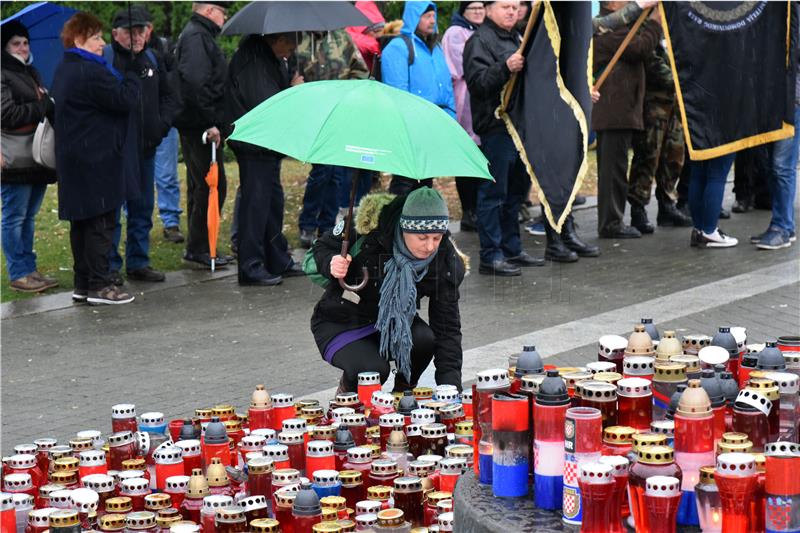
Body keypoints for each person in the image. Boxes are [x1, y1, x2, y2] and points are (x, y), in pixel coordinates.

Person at [311, 188, 465, 393]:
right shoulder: (368, 226)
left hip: (393, 322)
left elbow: (447, 329)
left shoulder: (444, 260)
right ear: (404, 229)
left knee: (425, 341)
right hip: (341, 320)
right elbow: (321, 247)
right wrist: (331, 262)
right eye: (423, 237)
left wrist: (451, 388)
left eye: (436, 238)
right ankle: (347, 397)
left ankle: (405, 393)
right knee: (372, 372)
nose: (429, 247)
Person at [52, 12, 140, 305]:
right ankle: (100, 286)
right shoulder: (91, 71)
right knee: (100, 224)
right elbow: (124, 99)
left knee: (82, 224)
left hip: (75, 159)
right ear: (78, 40)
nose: (102, 43)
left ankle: (83, 283)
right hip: (97, 160)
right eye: (95, 37)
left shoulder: (66, 68)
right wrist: (131, 71)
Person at [464, 0, 544, 276]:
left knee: (516, 194)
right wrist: (505, 67)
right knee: (494, 194)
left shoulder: (518, 36)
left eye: (515, 6)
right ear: (487, 9)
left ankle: (512, 248)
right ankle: (491, 255)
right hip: (496, 126)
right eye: (504, 6)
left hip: (520, 127)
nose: (512, 11)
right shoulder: (479, 41)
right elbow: (478, 84)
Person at [105, 7, 179, 284]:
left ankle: (138, 261)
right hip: (116, 151)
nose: (135, 37)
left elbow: (169, 96)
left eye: (139, 31)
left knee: (143, 207)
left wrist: (161, 126)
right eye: (129, 32)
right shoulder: (107, 60)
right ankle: (111, 265)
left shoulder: (151, 58)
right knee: (112, 211)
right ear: (116, 34)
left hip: (147, 148)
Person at [226, 32, 305, 286]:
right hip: (254, 145)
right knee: (256, 206)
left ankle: (276, 258)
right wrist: (293, 92)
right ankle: (251, 266)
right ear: (276, 39)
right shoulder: (253, 61)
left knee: (272, 204)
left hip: (265, 146)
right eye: (288, 46)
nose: (290, 52)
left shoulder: (266, 59)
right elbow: (266, 105)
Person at [592, 1, 661, 239]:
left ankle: (615, 219)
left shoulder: (623, 27)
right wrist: (655, 22)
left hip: (622, 110)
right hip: (613, 112)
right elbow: (640, 48)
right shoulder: (609, 29)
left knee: (618, 168)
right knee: (613, 171)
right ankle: (611, 223)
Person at [294, 30, 369, 248]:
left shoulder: (341, 38)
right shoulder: (299, 39)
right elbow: (291, 74)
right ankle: (308, 223)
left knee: (337, 173)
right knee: (322, 170)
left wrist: (349, 94)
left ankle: (327, 227)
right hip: (312, 113)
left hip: (339, 114)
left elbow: (360, 71)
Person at [1, 20, 58, 293]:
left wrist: (48, 104)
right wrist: (41, 105)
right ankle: (19, 271)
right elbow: (7, 116)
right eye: (16, 43)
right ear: (5, 46)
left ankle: (30, 268)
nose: (22, 47)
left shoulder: (31, 72)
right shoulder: (2, 73)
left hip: (36, 155)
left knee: (29, 216)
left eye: (25, 42)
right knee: (14, 216)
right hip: (14, 156)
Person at [174, 1, 232, 269]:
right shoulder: (197, 36)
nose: (224, 18)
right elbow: (196, 82)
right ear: (209, 11)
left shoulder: (198, 34)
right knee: (211, 186)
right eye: (223, 12)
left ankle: (197, 246)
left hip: (196, 123)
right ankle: (199, 247)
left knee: (201, 185)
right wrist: (210, 122)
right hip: (201, 127)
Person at [382, 2, 456, 196]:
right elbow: (397, 93)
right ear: (414, 17)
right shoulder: (398, 48)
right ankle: (396, 222)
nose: (432, 20)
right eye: (426, 16)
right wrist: (408, 126)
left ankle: (419, 223)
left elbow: (446, 86)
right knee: (405, 179)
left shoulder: (435, 47)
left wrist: (450, 118)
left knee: (425, 179)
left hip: (434, 123)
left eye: (433, 16)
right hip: (412, 127)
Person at [626, 45, 692, 233]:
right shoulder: (649, 30)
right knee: (648, 156)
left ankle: (667, 205)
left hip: (674, 105)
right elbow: (652, 64)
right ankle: (638, 209)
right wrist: (682, 82)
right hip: (654, 105)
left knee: (674, 156)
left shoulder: (674, 30)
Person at [443, 1, 485, 233]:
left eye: (481, 8)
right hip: (465, 101)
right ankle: (469, 210)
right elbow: (463, 65)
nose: (478, 12)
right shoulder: (455, 33)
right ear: (464, 11)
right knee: (468, 156)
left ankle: (479, 208)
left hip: (482, 101)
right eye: (473, 9)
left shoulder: (482, 31)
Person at [147, 20, 184, 244]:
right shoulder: (125, 55)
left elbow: (173, 88)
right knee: (136, 178)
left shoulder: (164, 49)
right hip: (141, 125)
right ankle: (136, 224)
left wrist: (168, 117)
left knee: (167, 175)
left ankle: (171, 222)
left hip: (163, 122)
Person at [347, 1, 386, 74]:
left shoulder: (349, 36)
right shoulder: (357, 41)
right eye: (377, 31)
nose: (380, 35)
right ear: (364, 30)